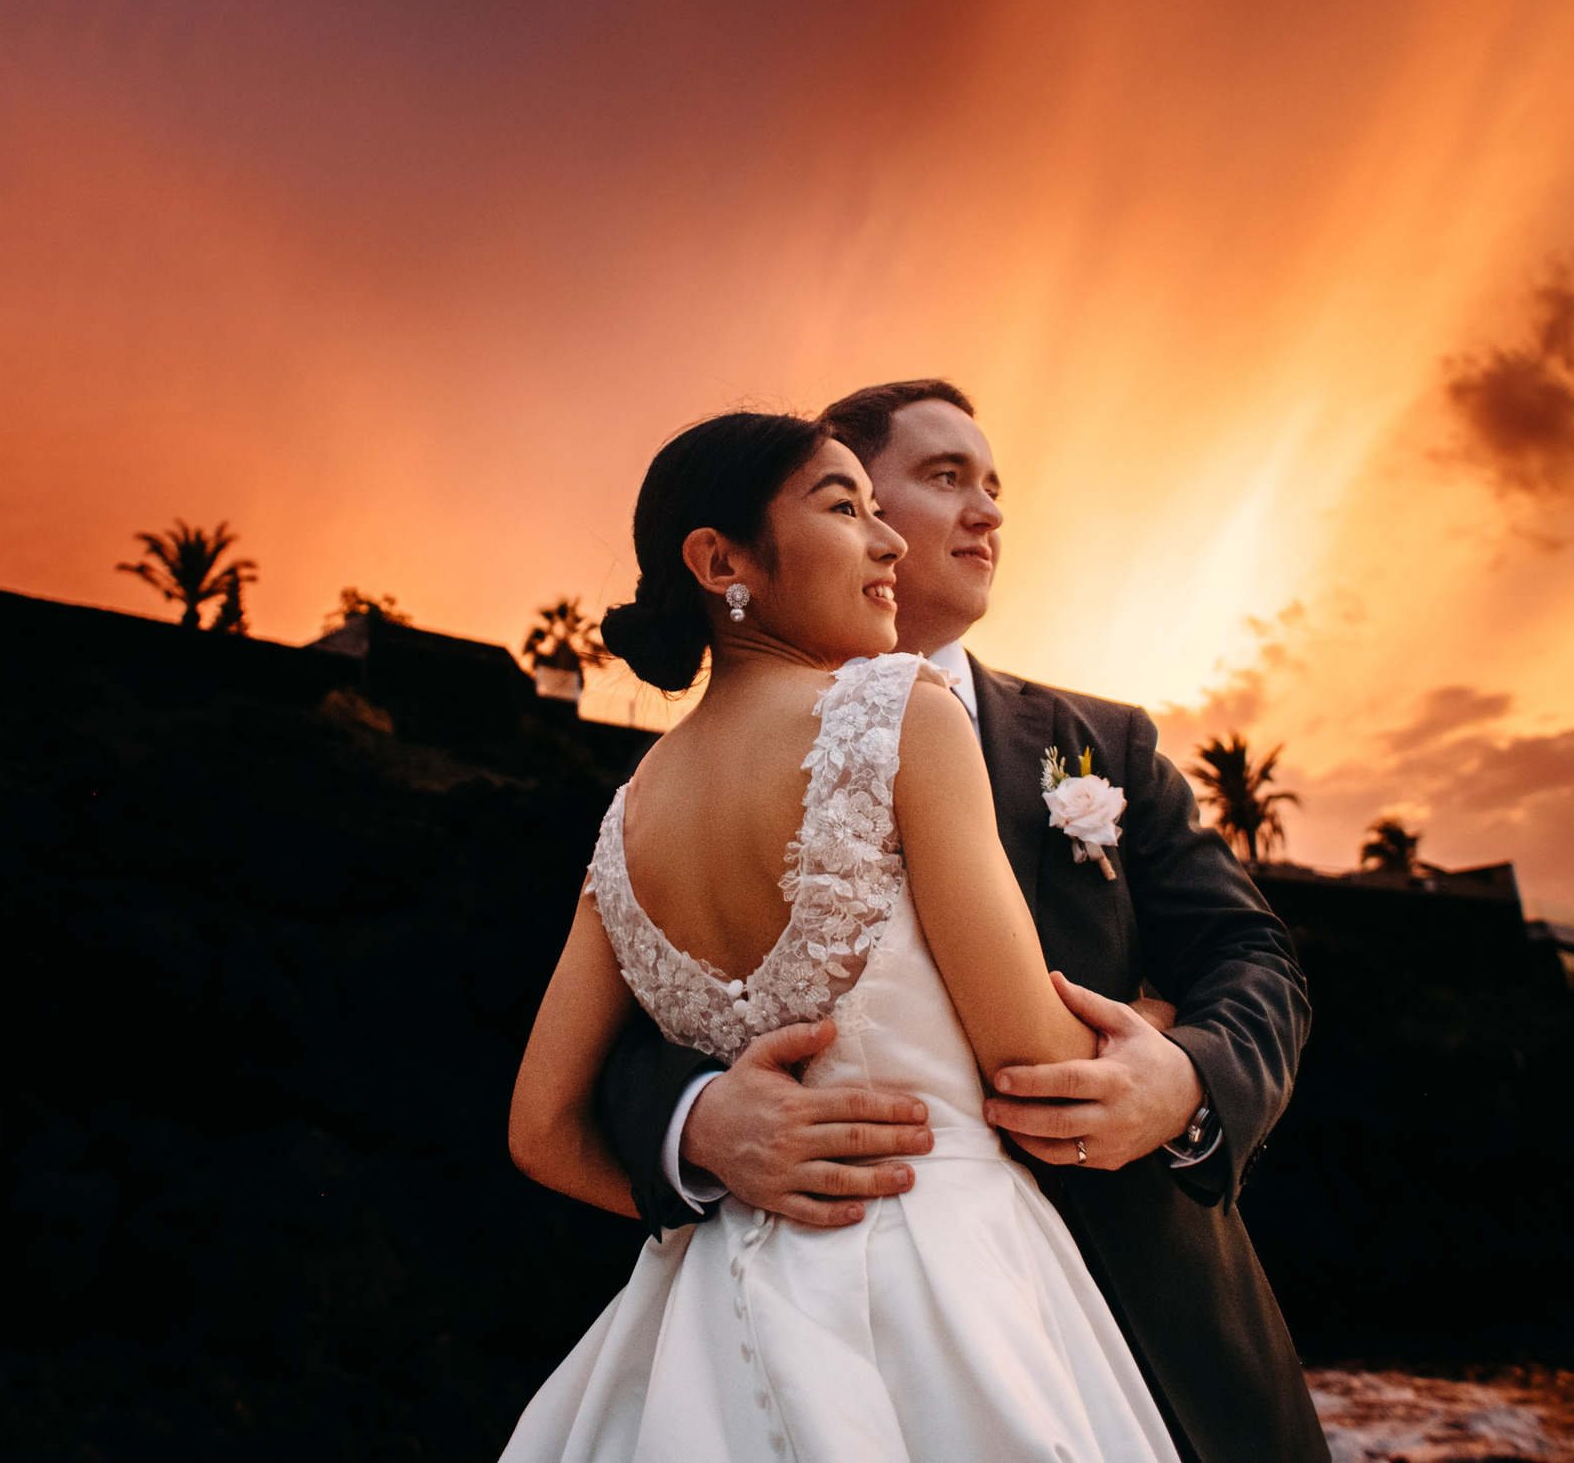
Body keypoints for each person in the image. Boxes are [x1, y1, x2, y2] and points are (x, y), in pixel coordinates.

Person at [593, 381, 1326, 1463]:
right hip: (846, 1316)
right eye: (941, 480)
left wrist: (1186, 1079)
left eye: (994, 486)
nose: (984, 512)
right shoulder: (669, 788)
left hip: (1159, 1322)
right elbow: (610, 1035)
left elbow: (1253, 953)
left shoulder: (1105, 743)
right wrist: (696, 1123)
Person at [503, 409, 1182, 1461]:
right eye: (842, 506)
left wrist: (723, 1176)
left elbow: (541, 1132)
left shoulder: (628, 811)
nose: (890, 543)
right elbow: (1032, 1061)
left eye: (878, 509)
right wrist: (1152, 1021)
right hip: (943, 1280)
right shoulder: (897, 712)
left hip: (703, 1321)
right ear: (720, 560)